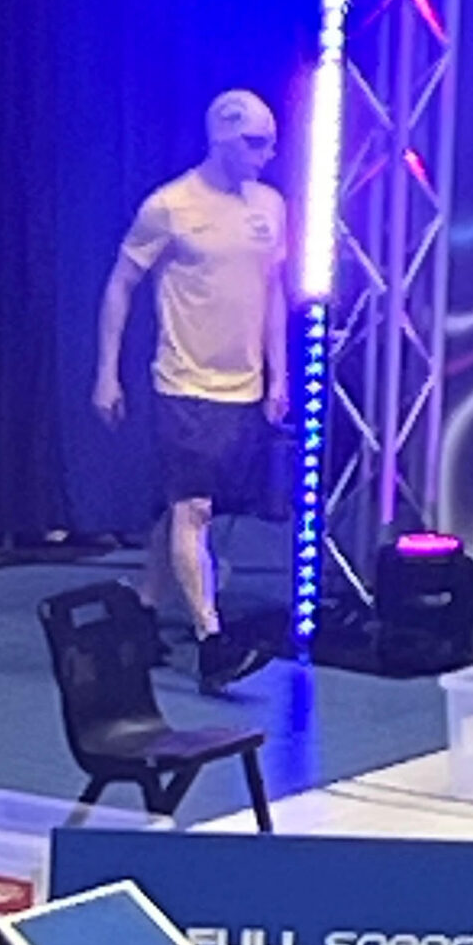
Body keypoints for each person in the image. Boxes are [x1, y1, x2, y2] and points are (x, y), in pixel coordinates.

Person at [92, 88, 289, 691]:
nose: (266, 154)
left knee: (186, 505)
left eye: (271, 143)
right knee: (193, 508)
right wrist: (107, 372)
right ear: (223, 138)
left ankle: (142, 610)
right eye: (255, 142)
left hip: (243, 386)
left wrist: (278, 374)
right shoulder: (170, 206)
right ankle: (211, 642)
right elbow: (121, 284)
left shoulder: (270, 206)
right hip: (184, 383)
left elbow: (273, 291)